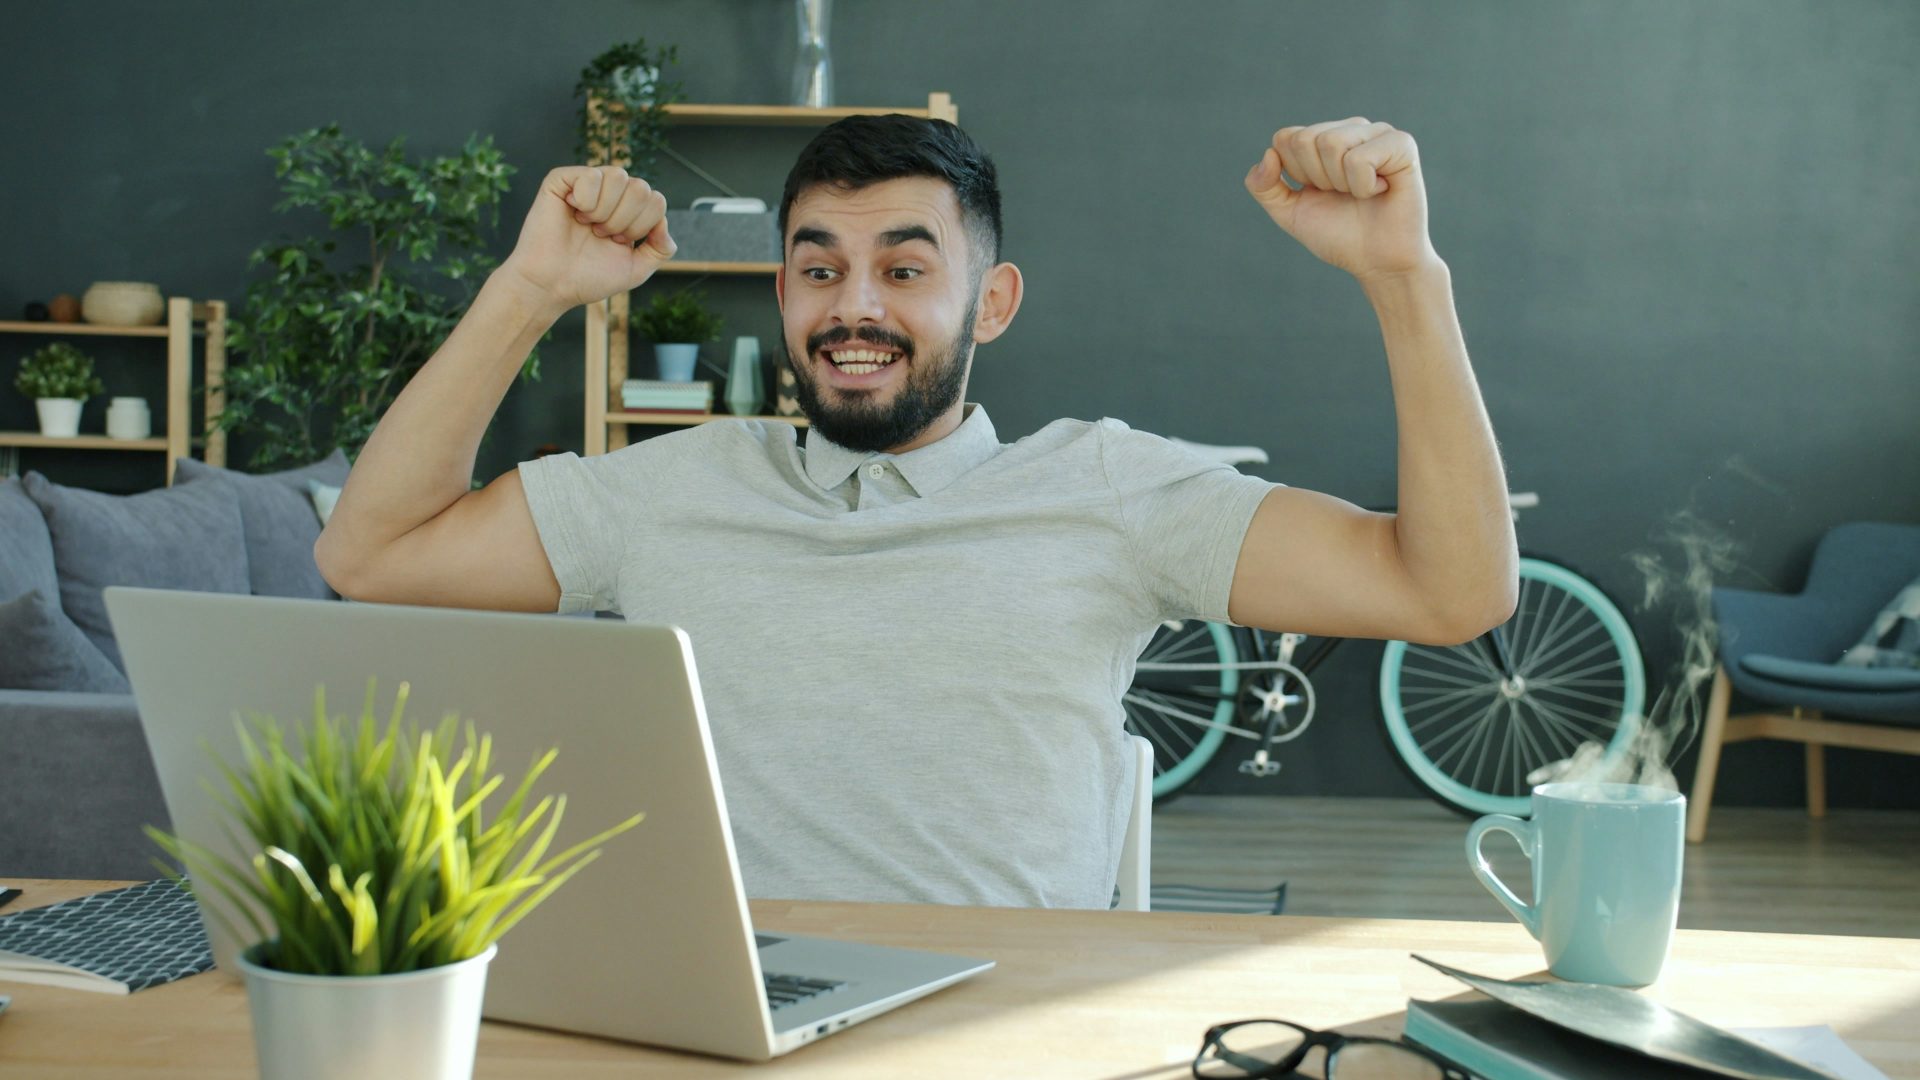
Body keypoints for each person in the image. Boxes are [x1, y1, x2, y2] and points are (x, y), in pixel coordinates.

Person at [315, 115, 1517, 909]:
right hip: (730, 1021)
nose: (854, 306)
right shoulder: (672, 488)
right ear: (781, 287)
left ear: (991, 302)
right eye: (819, 265)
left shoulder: (1107, 490)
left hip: (1007, 1023)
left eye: (903, 268)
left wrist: (1407, 280)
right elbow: (371, 555)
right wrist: (531, 288)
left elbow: (1451, 592)